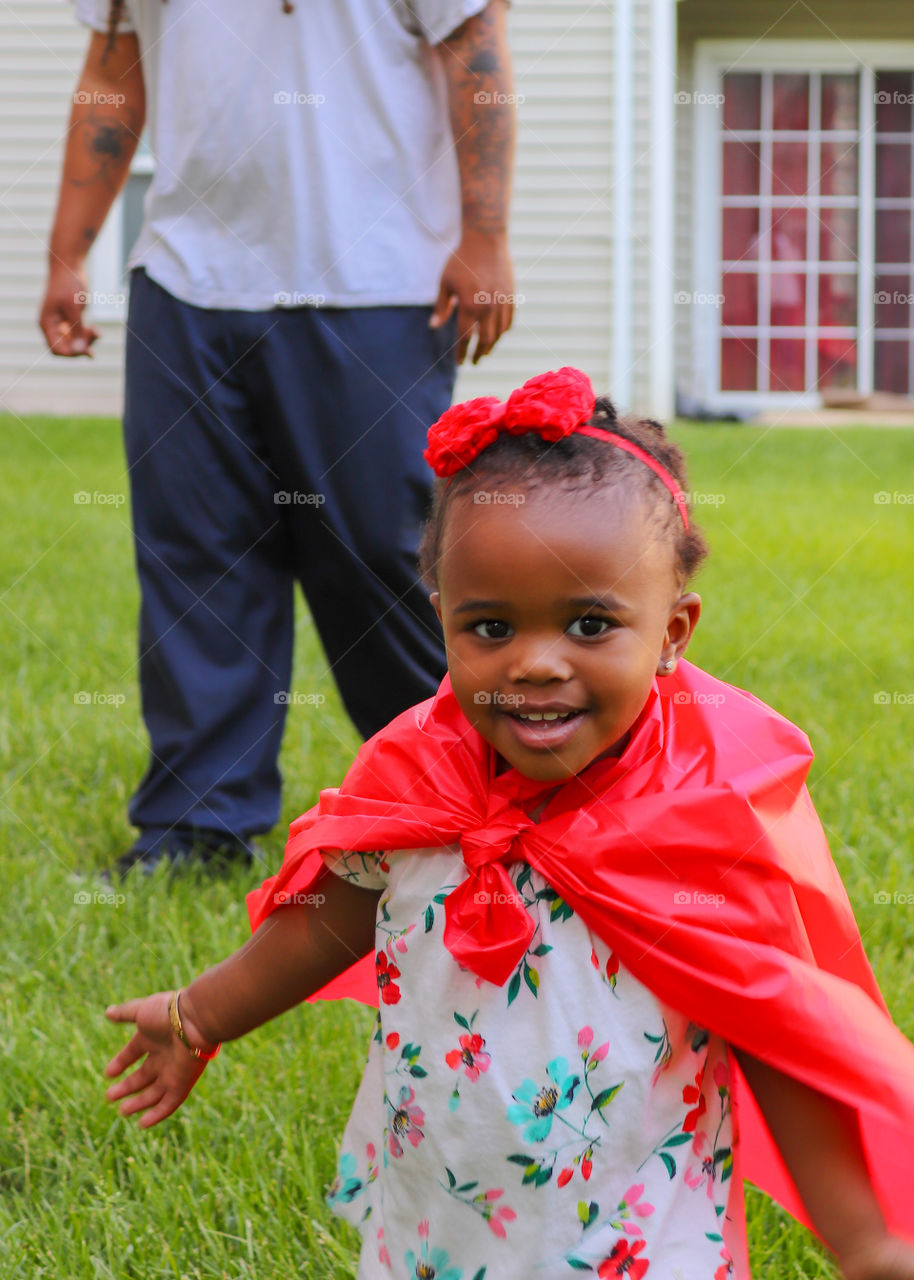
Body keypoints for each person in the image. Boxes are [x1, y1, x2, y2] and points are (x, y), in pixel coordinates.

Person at [103, 369, 914, 1279]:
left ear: (674, 631)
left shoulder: (694, 817)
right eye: (489, 627)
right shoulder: (418, 773)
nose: (534, 664)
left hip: (639, 1232)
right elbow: (333, 919)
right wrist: (197, 1014)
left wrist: (863, 1236)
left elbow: (773, 1024)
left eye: (590, 624)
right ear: (441, 618)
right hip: (443, 1210)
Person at [39, 0, 516, 875]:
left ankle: (467, 802)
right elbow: (114, 72)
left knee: (385, 553)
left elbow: (475, 58)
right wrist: (69, 254)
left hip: (373, 284)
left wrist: (484, 235)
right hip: (184, 285)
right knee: (196, 563)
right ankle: (196, 831)